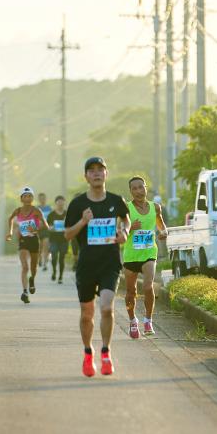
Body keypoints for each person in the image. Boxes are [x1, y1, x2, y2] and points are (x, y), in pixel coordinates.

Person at [64, 156, 129, 377]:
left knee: (107, 308)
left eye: (100, 169)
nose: (96, 173)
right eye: (91, 170)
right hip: (86, 266)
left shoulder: (115, 200)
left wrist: (125, 232)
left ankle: (106, 352)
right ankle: (88, 352)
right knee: (86, 314)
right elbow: (67, 235)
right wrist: (83, 221)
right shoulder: (78, 204)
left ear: (106, 174)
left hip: (110, 264)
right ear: (86, 176)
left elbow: (126, 219)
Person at [121, 176, 167, 339]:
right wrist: (130, 227)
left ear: (146, 188)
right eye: (135, 188)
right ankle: (133, 321)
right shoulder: (126, 209)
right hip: (131, 255)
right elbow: (118, 230)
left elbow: (161, 225)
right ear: (131, 191)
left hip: (149, 253)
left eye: (141, 187)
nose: (139, 191)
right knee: (130, 292)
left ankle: (148, 320)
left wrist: (163, 232)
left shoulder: (155, 207)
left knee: (148, 287)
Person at [7, 188, 46, 304]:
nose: (27, 198)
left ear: (32, 198)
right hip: (23, 240)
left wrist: (35, 229)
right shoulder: (18, 211)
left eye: (30, 196)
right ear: (21, 199)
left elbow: (45, 225)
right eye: (25, 196)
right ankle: (25, 292)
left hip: (34, 240)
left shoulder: (36, 210)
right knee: (25, 267)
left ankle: (32, 279)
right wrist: (10, 232)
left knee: (33, 268)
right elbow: (10, 219)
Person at [46, 195, 69, 283]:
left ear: (64, 203)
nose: (60, 204)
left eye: (62, 203)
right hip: (54, 239)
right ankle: (54, 271)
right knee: (54, 257)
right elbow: (47, 226)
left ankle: (60, 276)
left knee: (62, 258)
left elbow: (71, 224)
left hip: (64, 239)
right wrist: (51, 228)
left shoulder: (67, 214)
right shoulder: (51, 215)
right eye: (59, 203)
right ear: (56, 203)